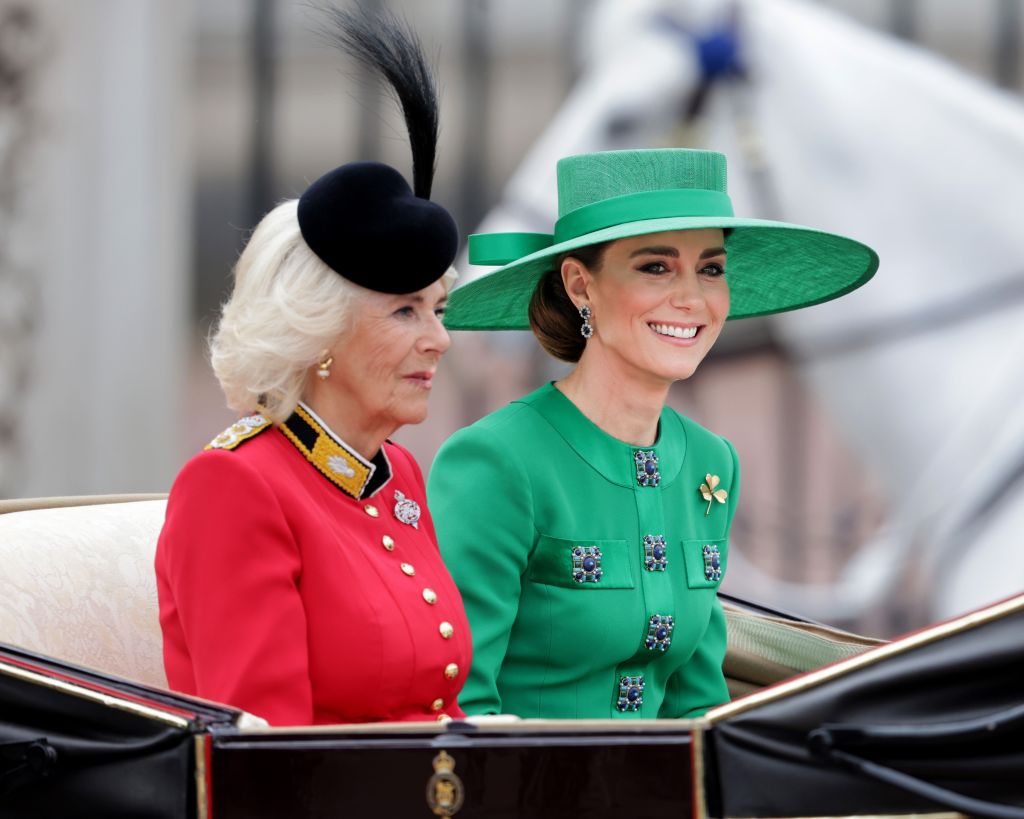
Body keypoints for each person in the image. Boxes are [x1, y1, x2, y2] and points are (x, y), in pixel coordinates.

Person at [427, 148, 878, 719]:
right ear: (580, 285)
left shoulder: (710, 462)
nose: (692, 299)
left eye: (710, 269)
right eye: (655, 267)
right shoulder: (495, 461)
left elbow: (698, 708)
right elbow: (458, 708)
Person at [155, 9, 471, 726]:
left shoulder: (396, 474)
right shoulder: (234, 487)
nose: (439, 340)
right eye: (405, 312)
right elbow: (265, 765)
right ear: (318, 332)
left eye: (439, 310)